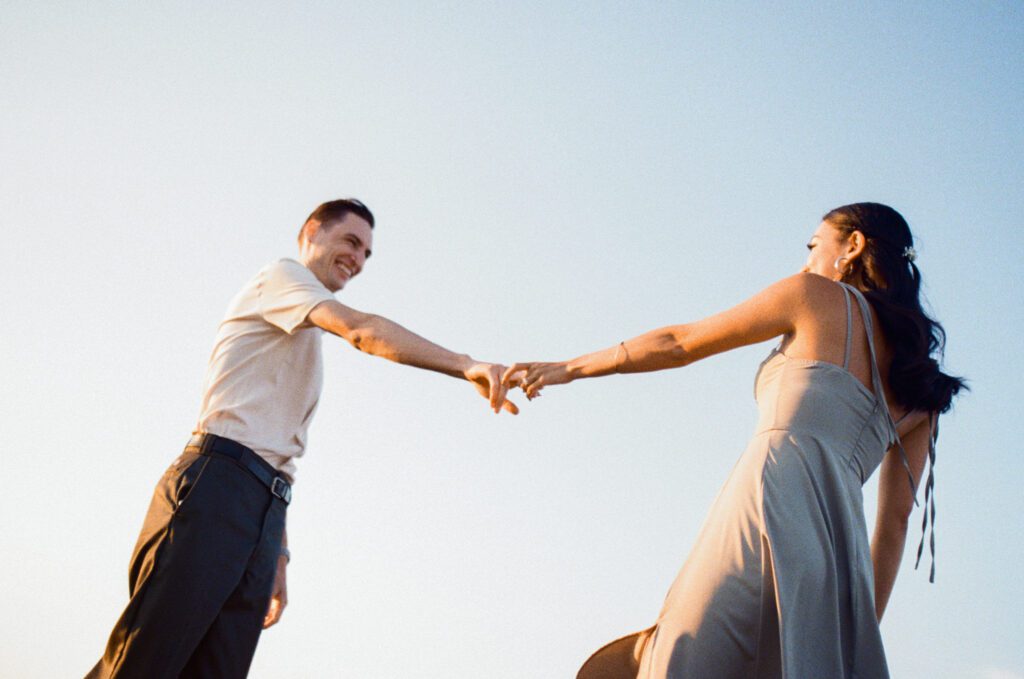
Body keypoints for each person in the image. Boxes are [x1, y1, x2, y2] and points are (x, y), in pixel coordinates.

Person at [503, 203, 964, 679]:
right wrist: (853, 637)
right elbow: (894, 526)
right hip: (835, 565)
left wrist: (570, 368)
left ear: (853, 246)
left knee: (681, 656)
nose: (805, 263)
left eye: (813, 247)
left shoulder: (815, 295)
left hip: (766, 509)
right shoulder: (924, 391)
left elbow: (680, 342)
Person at [87, 198, 518, 679]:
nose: (357, 259)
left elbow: (274, 448)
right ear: (312, 231)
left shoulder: (304, 330)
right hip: (215, 487)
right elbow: (361, 331)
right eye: (351, 242)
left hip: (262, 513)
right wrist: (466, 365)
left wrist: (277, 553)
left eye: (367, 254)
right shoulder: (282, 278)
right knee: (145, 665)